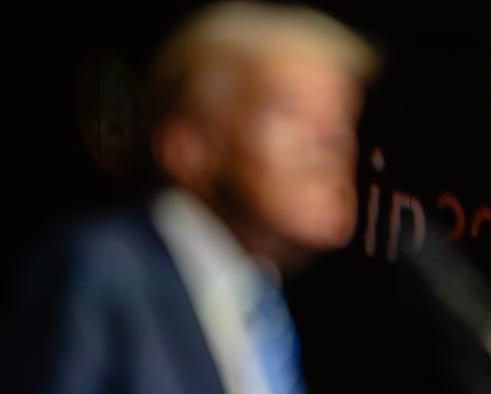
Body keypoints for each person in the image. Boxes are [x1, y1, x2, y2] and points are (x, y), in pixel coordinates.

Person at [10, 2, 377, 393]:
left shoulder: (261, 313)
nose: (333, 142)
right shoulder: (103, 273)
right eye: (291, 113)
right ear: (187, 145)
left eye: (342, 119)